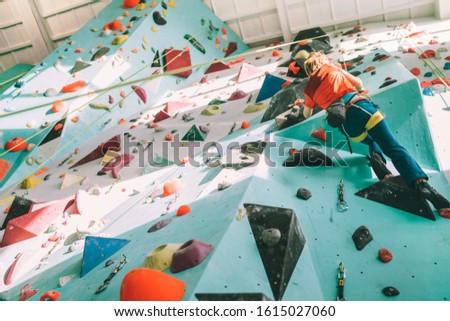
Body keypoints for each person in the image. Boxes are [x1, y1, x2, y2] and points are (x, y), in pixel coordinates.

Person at [301, 51, 450, 218]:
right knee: (392, 147)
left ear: (308, 71)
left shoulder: (308, 89)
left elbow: (307, 114)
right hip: (361, 108)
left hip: (347, 127)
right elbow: (358, 82)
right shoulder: (330, 68)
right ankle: (421, 184)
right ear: (321, 62)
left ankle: (380, 166)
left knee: (371, 141)